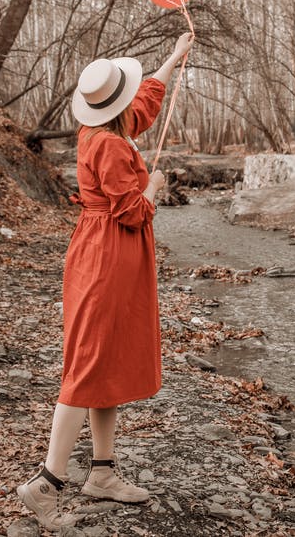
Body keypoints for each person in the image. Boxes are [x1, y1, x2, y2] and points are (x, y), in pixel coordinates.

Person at [16, 33, 194, 531]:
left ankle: (102, 473)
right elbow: (132, 212)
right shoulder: (111, 146)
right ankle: (45, 485)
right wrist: (154, 188)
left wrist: (173, 59)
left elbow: (143, 104)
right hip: (108, 256)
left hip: (104, 252)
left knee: (106, 359)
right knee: (89, 363)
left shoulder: (103, 131)